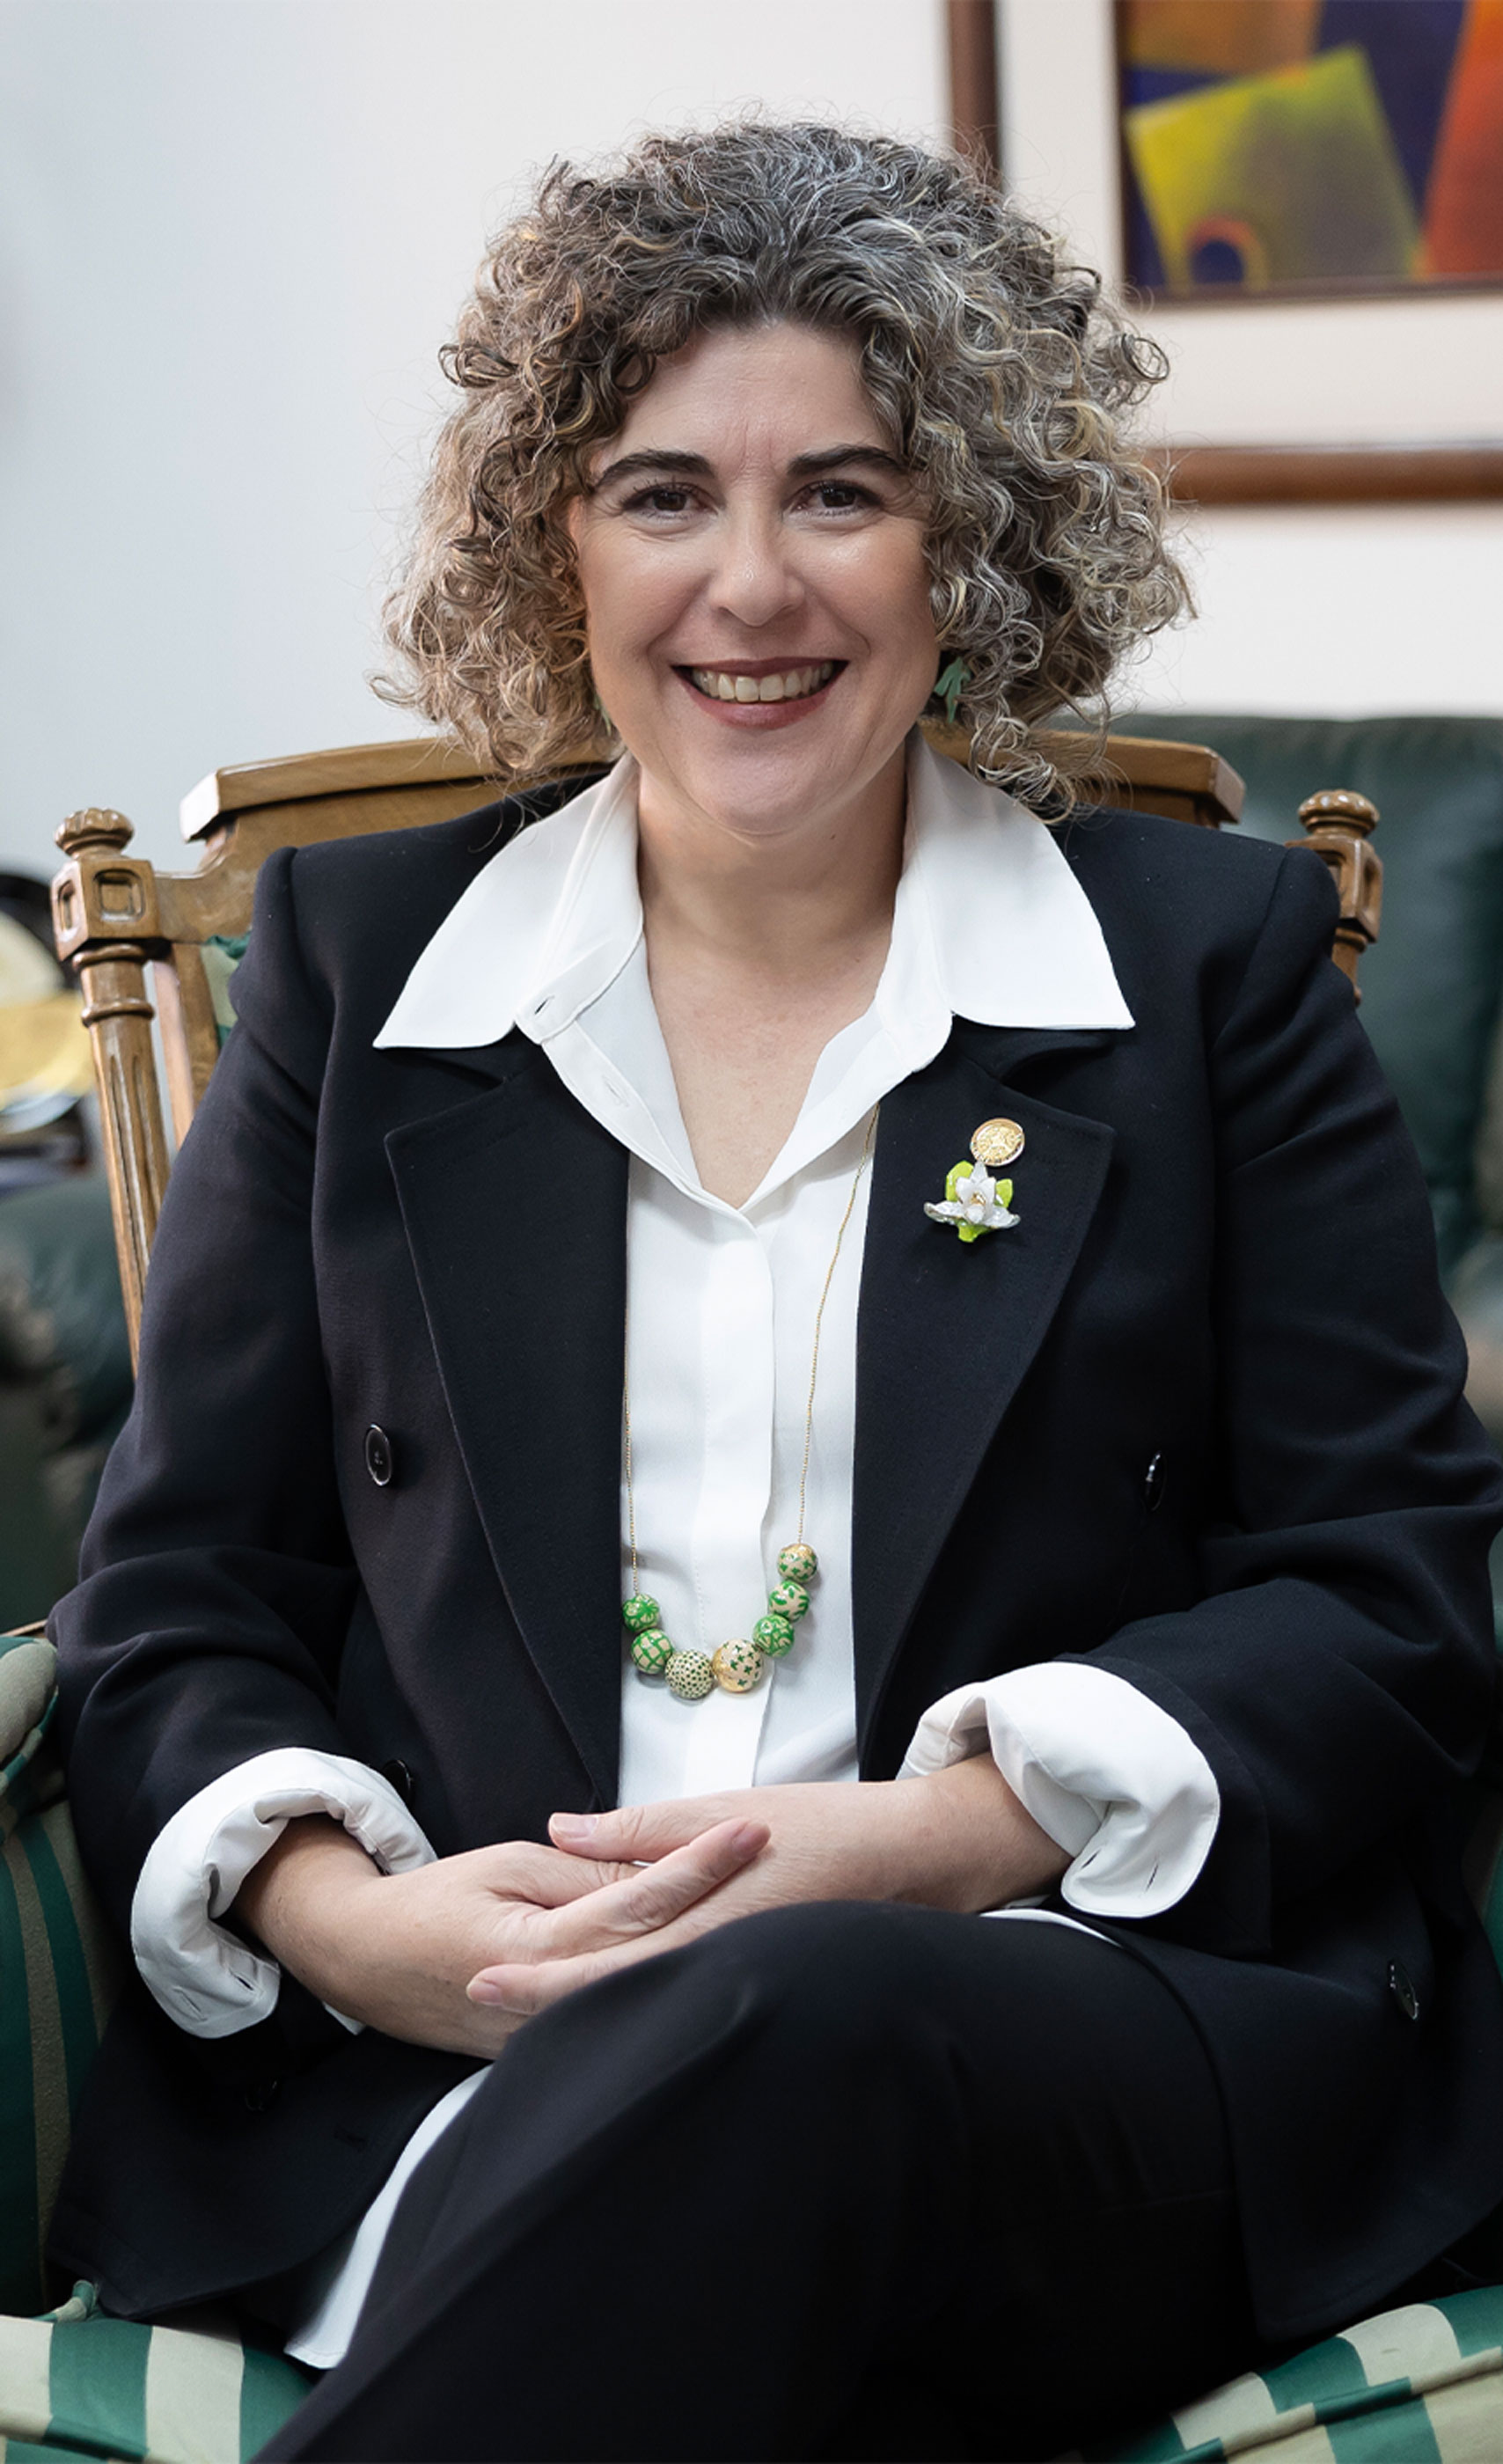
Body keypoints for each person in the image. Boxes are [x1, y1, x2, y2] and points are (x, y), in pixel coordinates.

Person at [49, 123, 1503, 2463]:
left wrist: (948, 1840)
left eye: (842, 492)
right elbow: (180, 1589)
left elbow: (1390, 1583)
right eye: (661, 495)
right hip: (452, 2070)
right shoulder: (361, 971)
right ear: (554, 541)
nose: (750, 585)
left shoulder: (1203, 974)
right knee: (704, 2178)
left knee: (802, 2018)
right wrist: (349, 1925)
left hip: (1064, 2024)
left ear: (973, 537)